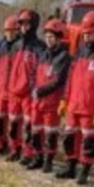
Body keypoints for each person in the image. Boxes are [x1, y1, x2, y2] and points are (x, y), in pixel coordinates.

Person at [57, 10, 94, 185]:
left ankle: (84, 170)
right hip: (73, 105)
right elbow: (70, 77)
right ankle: (70, 166)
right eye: (84, 34)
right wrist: (64, 99)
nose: (86, 37)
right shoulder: (79, 51)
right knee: (69, 137)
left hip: (91, 108)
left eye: (90, 34)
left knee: (88, 141)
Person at [28, 18, 72, 173]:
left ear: (59, 38)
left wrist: (39, 91)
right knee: (36, 131)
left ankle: (48, 160)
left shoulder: (64, 57)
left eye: (52, 37)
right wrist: (32, 87)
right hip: (37, 101)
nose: (48, 39)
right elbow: (34, 74)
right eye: (46, 36)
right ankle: (37, 157)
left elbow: (58, 80)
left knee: (50, 133)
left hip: (51, 102)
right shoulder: (42, 54)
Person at [7, 9, 43, 163]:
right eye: (21, 24)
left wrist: (35, 88)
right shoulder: (15, 45)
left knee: (30, 125)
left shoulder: (39, 47)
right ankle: (15, 149)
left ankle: (29, 153)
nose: (23, 27)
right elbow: (10, 67)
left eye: (27, 24)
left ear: (33, 25)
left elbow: (40, 72)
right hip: (14, 92)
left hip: (29, 93)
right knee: (14, 124)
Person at [0, 15, 20, 155]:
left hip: (14, 90)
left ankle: (14, 147)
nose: (9, 33)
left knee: (14, 121)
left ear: (17, 31)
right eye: (7, 30)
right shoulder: (2, 47)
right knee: (0, 119)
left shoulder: (19, 47)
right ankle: (0, 143)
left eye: (12, 30)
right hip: (2, 89)